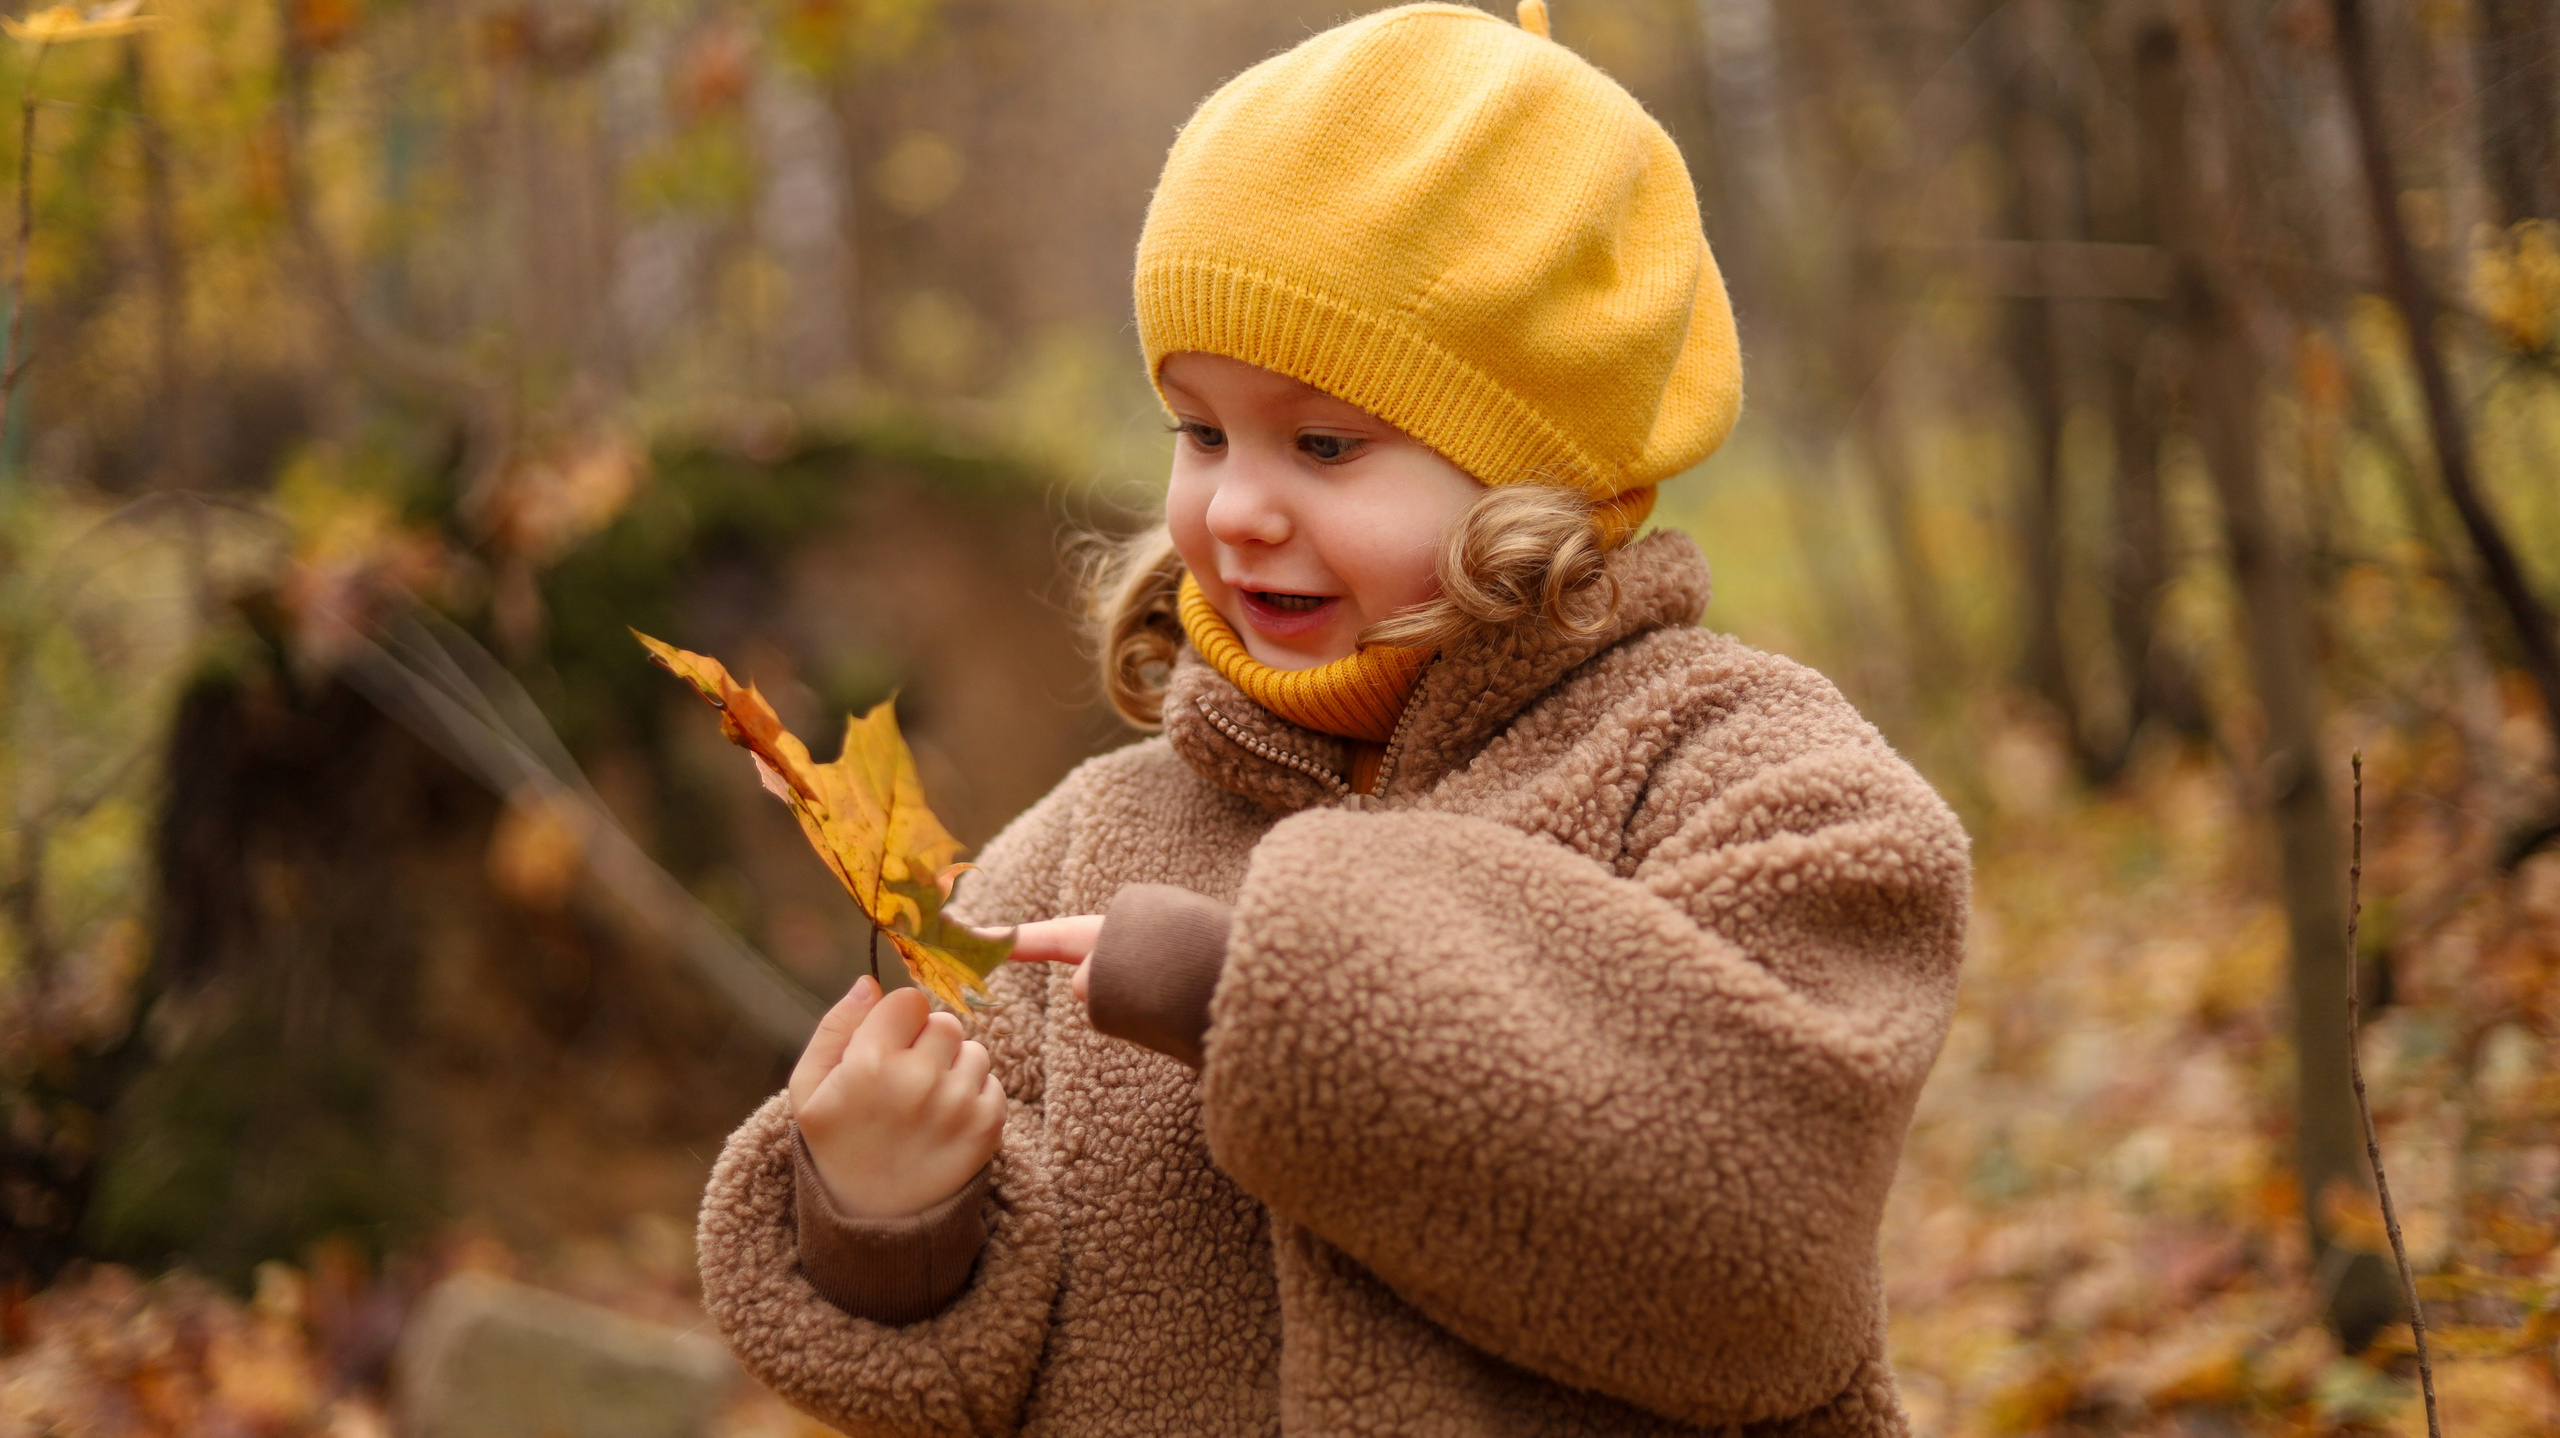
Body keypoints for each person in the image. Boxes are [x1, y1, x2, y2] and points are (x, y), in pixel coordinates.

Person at [695, 4, 1970, 1433]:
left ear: (1541, 469)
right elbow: (962, 1359)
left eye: (1322, 443)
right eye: (1199, 431)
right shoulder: (1087, 844)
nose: (1236, 506)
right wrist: (886, 1211)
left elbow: (1762, 1243)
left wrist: (1253, 984)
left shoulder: (1742, 773)